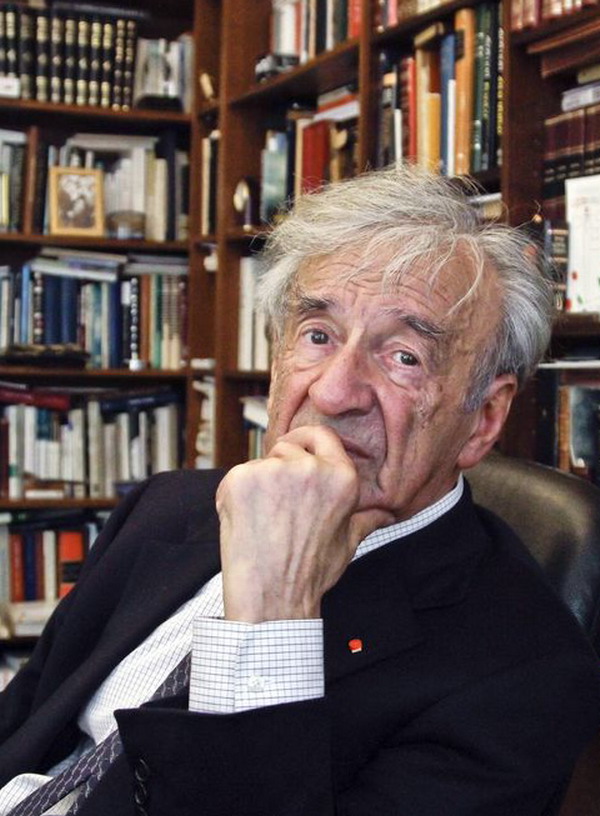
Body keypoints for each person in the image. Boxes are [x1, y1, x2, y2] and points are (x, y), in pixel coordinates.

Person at [1, 165, 599, 816]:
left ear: (484, 418)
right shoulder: (165, 506)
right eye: (319, 336)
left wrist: (275, 610)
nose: (334, 392)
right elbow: (25, 722)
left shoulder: (523, 673)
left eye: (404, 356)